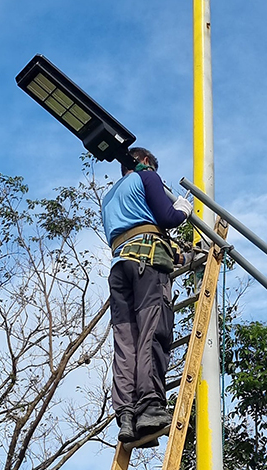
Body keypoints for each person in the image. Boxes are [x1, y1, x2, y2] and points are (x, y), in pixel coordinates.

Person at [101, 147, 193, 445]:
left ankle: (126, 413)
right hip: (146, 267)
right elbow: (166, 218)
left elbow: (138, 230)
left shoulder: (109, 197)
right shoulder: (147, 178)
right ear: (144, 163)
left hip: (120, 268)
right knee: (153, 332)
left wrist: (178, 254)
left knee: (126, 341)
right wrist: (182, 210)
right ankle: (150, 406)